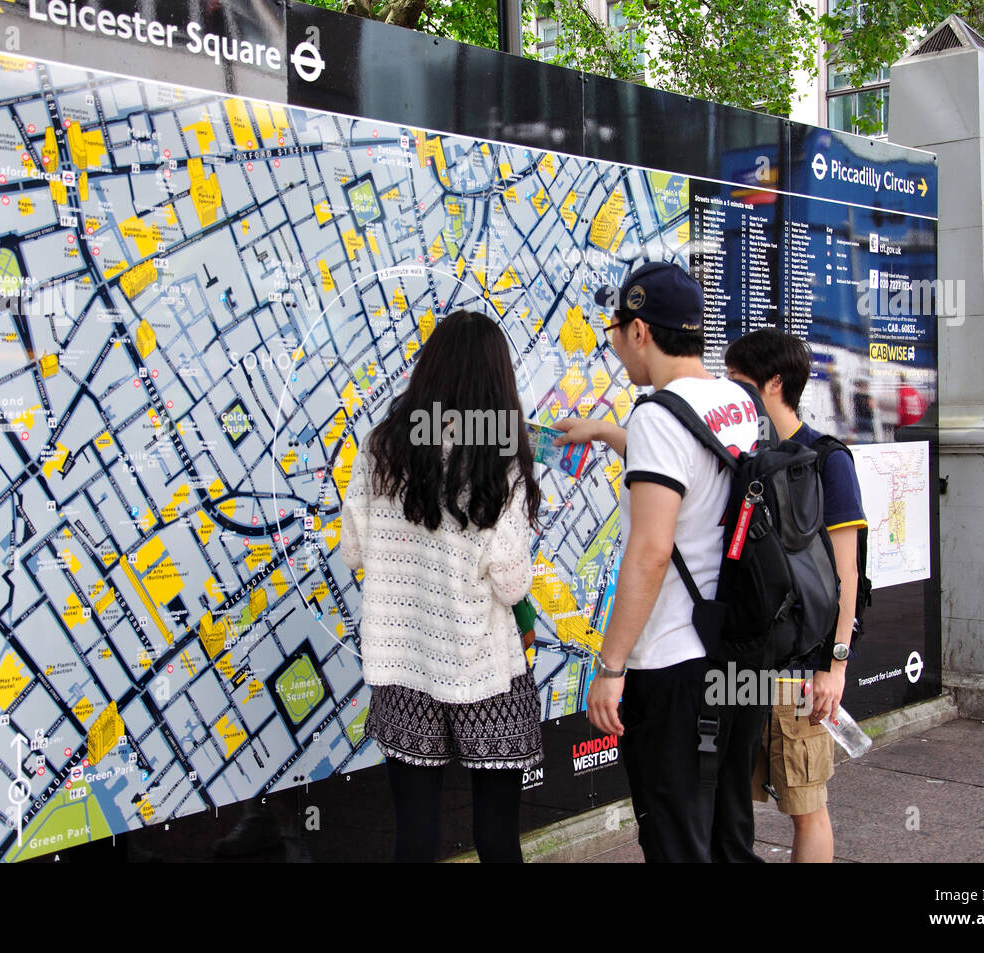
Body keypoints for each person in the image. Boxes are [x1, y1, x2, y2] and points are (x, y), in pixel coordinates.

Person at [553, 261, 763, 862]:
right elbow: (697, 469)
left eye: (615, 330)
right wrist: (605, 432)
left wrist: (612, 665)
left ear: (639, 330)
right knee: (728, 833)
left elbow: (649, 552)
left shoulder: (658, 413)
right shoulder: (736, 399)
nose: (615, 345)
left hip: (673, 665)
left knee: (674, 838)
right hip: (734, 656)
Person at [339, 309, 542, 863]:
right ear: (497, 383)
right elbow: (511, 579)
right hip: (482, 667)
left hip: (403, 662)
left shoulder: (380, 447)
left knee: (415, 834)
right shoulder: (500, 460)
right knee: (497, 836)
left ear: (429, 370)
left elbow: (355, 550)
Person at [724, 328, 867, 864]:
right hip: (739, 666)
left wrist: (836, 665)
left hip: (801, 672)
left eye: (739, 382)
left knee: (806, 806)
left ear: (774, 383)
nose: (729, 392)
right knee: (728, 799)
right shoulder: (740, 456)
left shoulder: (826, 460)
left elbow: (845, 575)